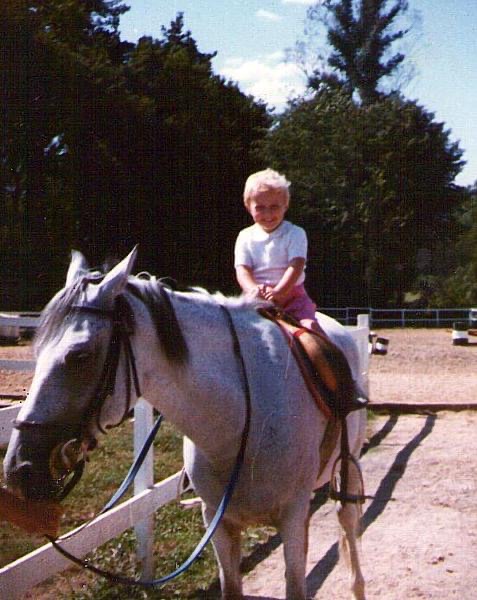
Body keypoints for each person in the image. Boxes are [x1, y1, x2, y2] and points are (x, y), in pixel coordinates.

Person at [234, 168, 324, 334]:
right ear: (248, 206)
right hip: (256, 299)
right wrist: (253, 289)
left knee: (311, 330)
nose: (267, 214)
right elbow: (243, 270)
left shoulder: (295, 233)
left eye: (274, 206)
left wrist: (279, 292)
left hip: (293, 299)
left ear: (285, 205)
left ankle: (330, 358)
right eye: (260, 207)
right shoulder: (244, 236)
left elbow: (296, 265)